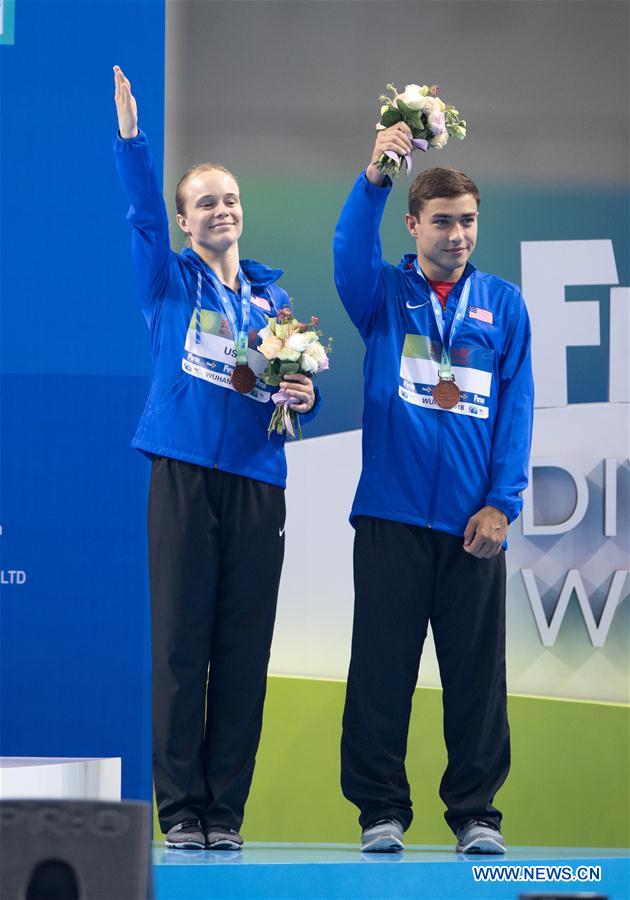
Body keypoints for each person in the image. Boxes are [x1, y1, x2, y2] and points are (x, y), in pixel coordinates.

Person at [112, 66, 320, 851]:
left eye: (229, 199)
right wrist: (133, 139)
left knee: (242, 650)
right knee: (179, 645)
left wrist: (303, 395)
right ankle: (180, 811)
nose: (221, 210)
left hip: (259, 484)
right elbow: (138, 216)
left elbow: (295, 391)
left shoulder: (273, 301)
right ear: (184, 219)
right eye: (205, 202)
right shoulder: (168, 282)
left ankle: (225, 810)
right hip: (184, 474)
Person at [333, 120, 534, 854]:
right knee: (381, 672)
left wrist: (502, 503)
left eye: (468, 221)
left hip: (471, 526)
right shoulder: (383, 295)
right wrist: (377, 174)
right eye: (444, 221)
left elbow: (517, 409)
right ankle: (380, 811)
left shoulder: (504, 306)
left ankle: (477, 814)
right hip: (390, 517)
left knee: (477, 679)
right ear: (414, 224)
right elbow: (347, 249)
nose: (458, 235)